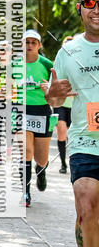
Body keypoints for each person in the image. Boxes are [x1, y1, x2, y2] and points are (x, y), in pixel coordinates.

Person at [47, 0, 99, 247]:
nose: (96, 10)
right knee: (87, 204)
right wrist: (55, 93)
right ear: (80, 9)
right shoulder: (68, 52)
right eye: (90, 3)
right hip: (84, 141)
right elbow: (53, 97)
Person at [20, 29, 54, 207]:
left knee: (41, 158)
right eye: (27, 42)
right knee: (26, 151)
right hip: (21, 110)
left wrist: (49, 89)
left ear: (39, 46)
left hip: (42, 110)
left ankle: (41, 170)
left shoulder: (48, 65)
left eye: (33, 43)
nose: (30, 46)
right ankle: (25, 193)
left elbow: (57, 93)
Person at [56, 35, 75, 174]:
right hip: (60, 103)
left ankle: (75, 162)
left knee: (73, 135)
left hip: (76, 104)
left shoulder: (81, 62)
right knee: (62, 133)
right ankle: (63, 164)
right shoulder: (58, 61)